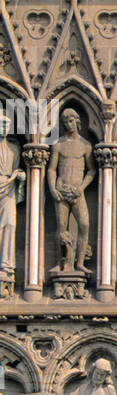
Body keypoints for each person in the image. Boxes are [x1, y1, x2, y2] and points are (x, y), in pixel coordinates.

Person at [47, 108, 95, 273]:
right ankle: (61, 261)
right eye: (66, 121)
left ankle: (79, 262)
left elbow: (91, 170)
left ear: (77, 121)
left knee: (84, 225)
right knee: (61, 227)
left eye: (72, 120)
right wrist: (53, 188)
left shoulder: (86, 145)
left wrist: (81, 188)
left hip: (77, 191)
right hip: (62, 190)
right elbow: (52, 169)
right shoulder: (59, 144)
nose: (69, 124)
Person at [0, 110, 24, 296]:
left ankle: (5, 267)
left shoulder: (14, 149)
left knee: (10, 224)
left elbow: (16, 169)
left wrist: (20, 177)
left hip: (8, 190)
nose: (3, 128)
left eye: (6, 125)